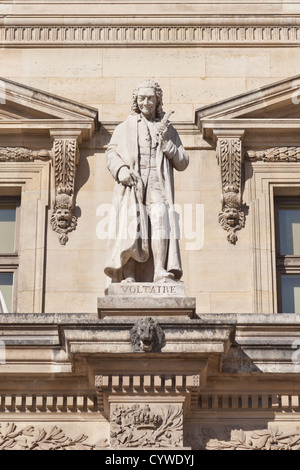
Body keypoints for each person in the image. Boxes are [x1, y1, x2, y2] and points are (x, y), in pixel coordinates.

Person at [104, 79, 189, 284]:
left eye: (150, 98)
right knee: (132, 224)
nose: (146, 103)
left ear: (157, 101)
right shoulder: (124, 127)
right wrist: (121, 170)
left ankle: (160, 270)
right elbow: (111, 153)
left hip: (157, 183)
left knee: (161, 217)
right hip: (133, 184)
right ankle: (128, 274)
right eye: (141, 98)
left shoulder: (168, 129)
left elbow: (183, 162)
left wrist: (167, 145)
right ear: (136, 101)